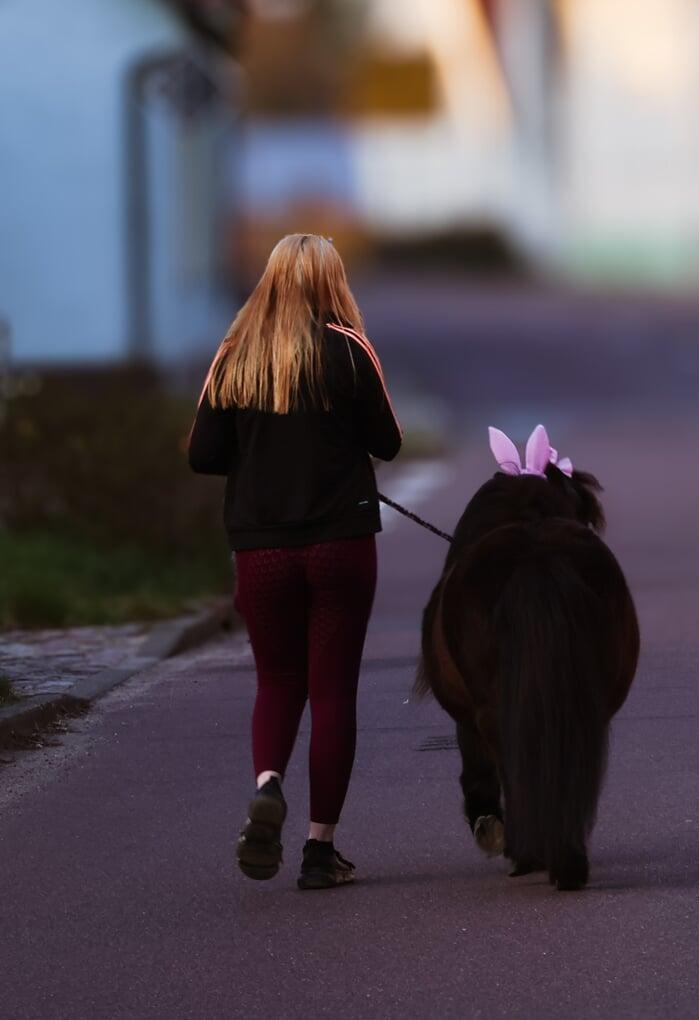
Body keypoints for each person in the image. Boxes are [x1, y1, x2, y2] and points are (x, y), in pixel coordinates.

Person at [188, 234, 402, 889]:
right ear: (333, 282)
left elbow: (202, 453)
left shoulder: (235, 353)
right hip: (340, 544)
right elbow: (389, 442)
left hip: (262, 547)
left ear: (271, 279)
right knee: (333, 691)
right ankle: (319, 851)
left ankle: (267, 783)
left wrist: (261, 455)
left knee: (277, 682)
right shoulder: (349, 347)